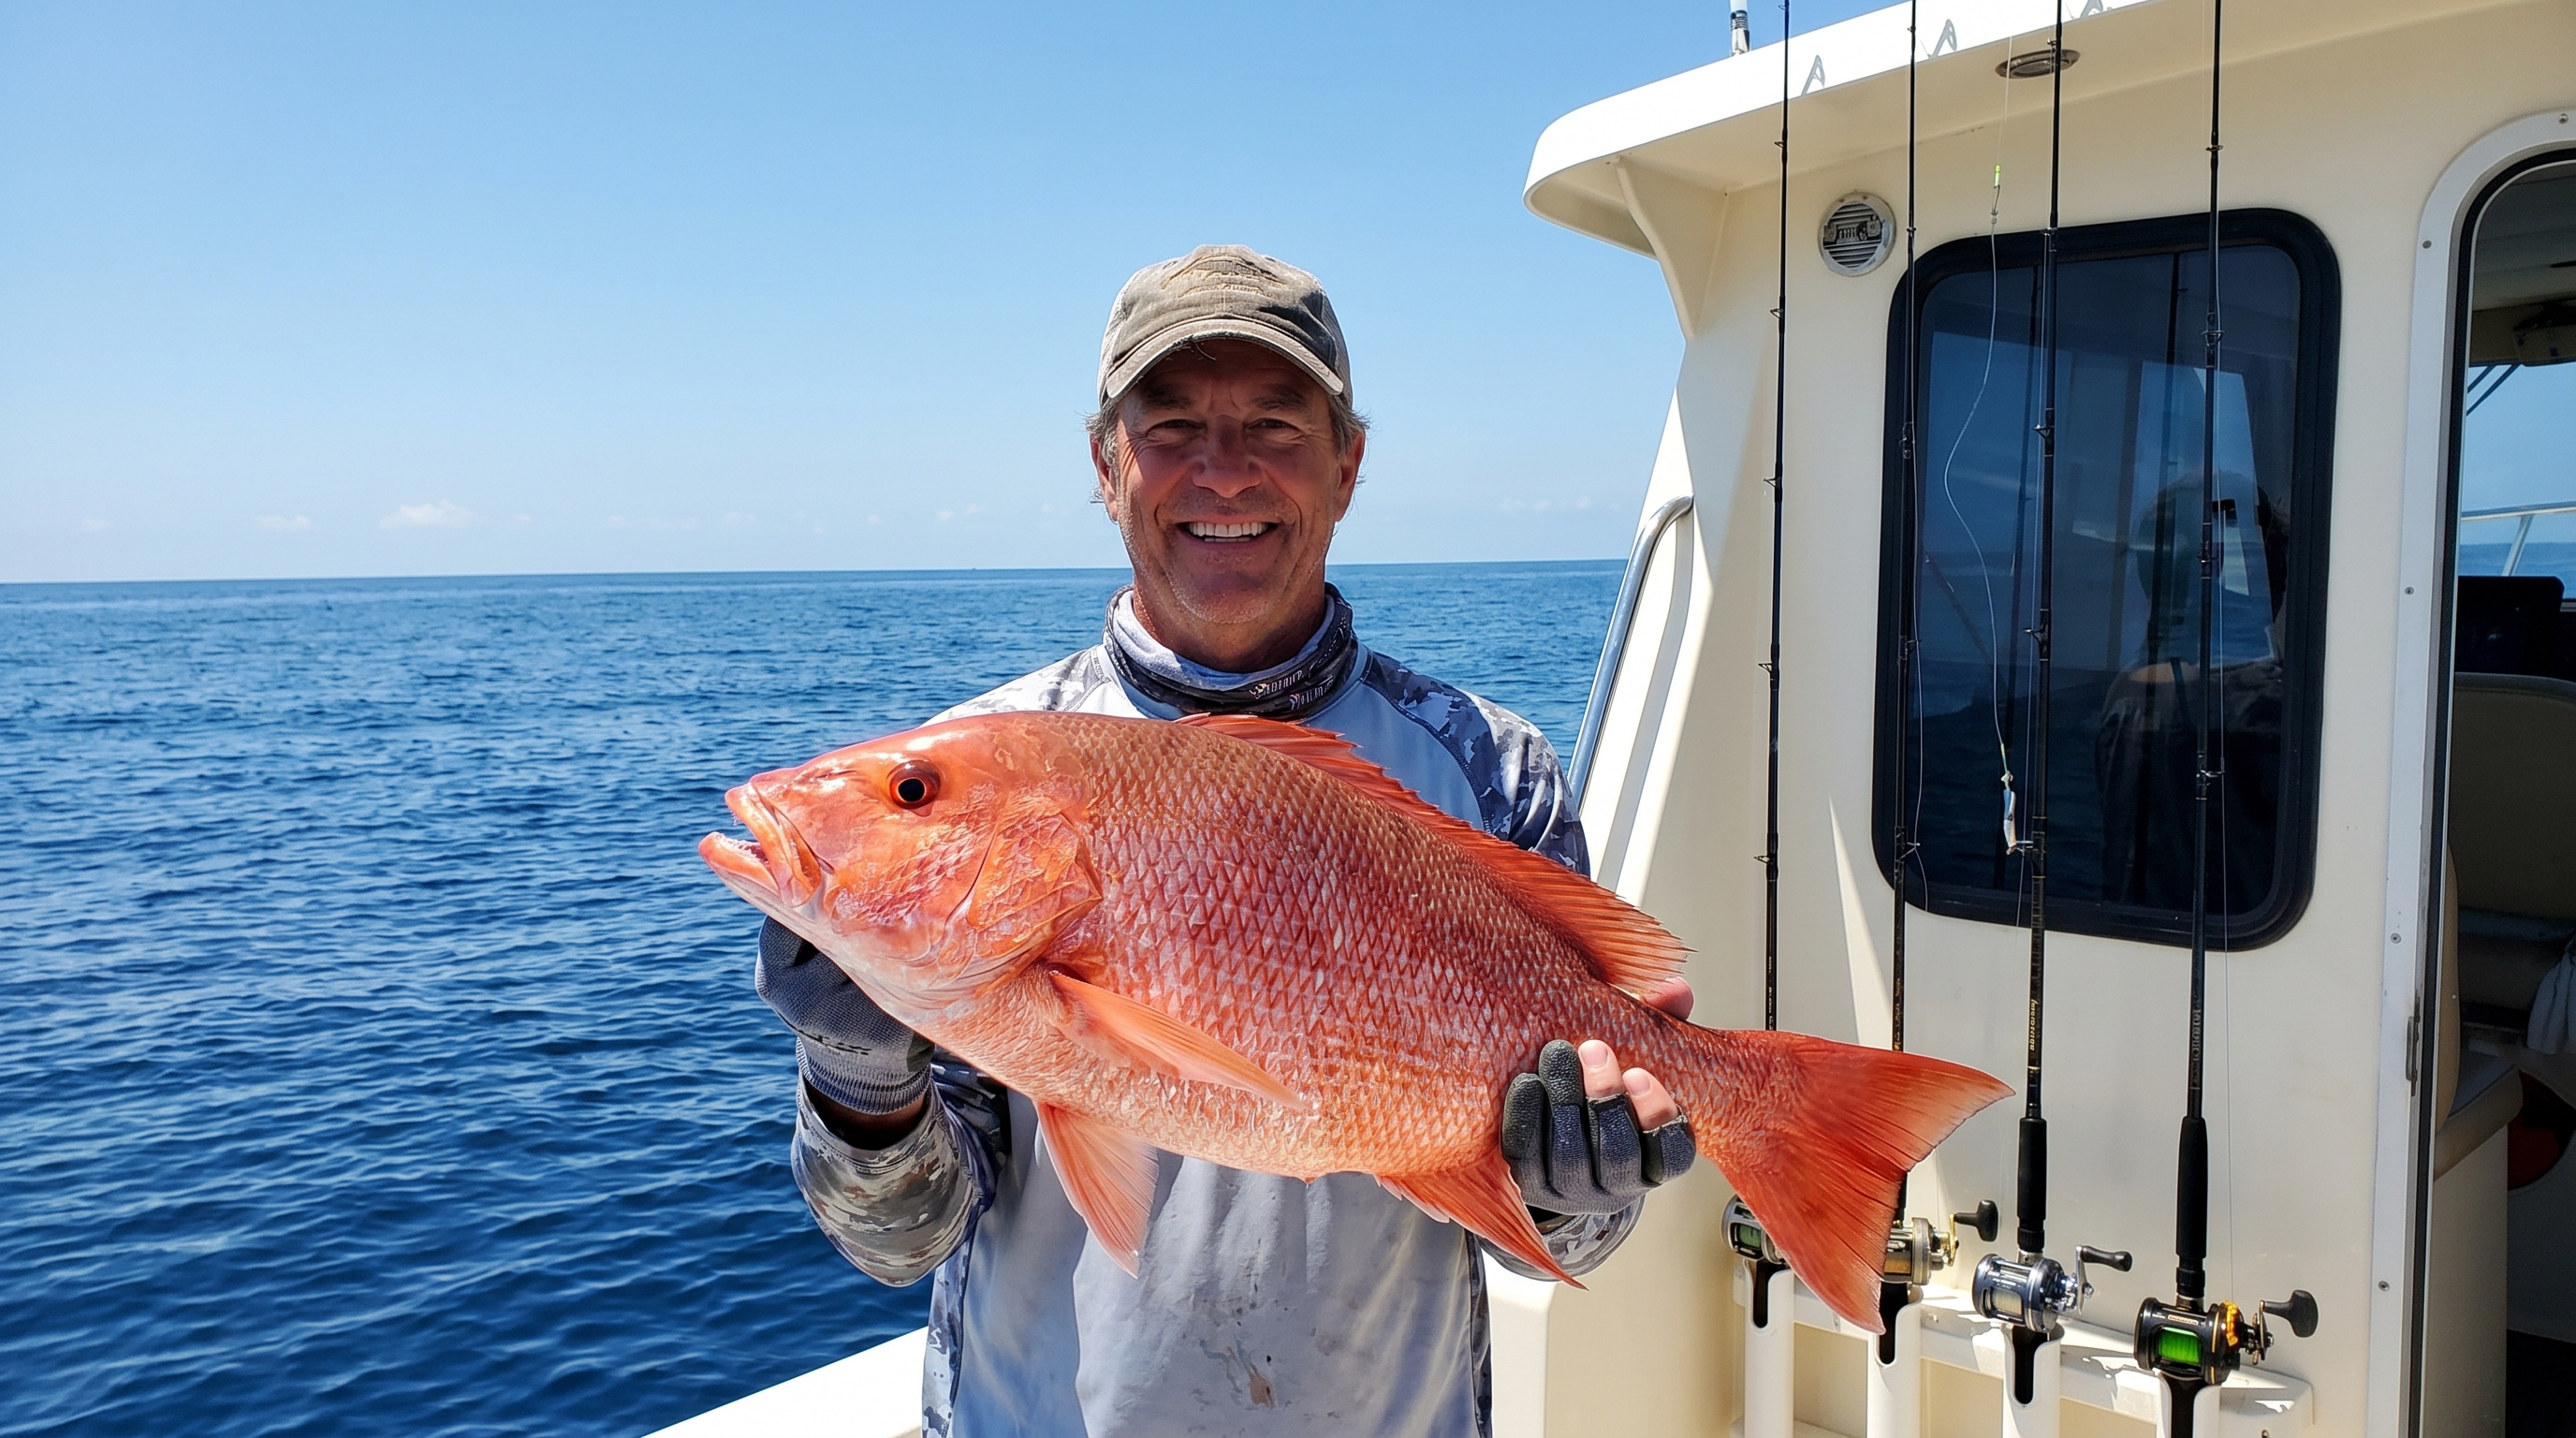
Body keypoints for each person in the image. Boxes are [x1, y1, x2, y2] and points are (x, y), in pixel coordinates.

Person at [752, 244, 1697, 1437]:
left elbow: (1562, 1240)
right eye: (1173, 424)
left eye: (1275, 424)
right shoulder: (988, 756)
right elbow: (899, 1245)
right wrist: (860, 1084)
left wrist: (1580, 1190)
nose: (1224, 470)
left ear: (1347, 466)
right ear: (1106, 464)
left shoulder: (1488, 769)